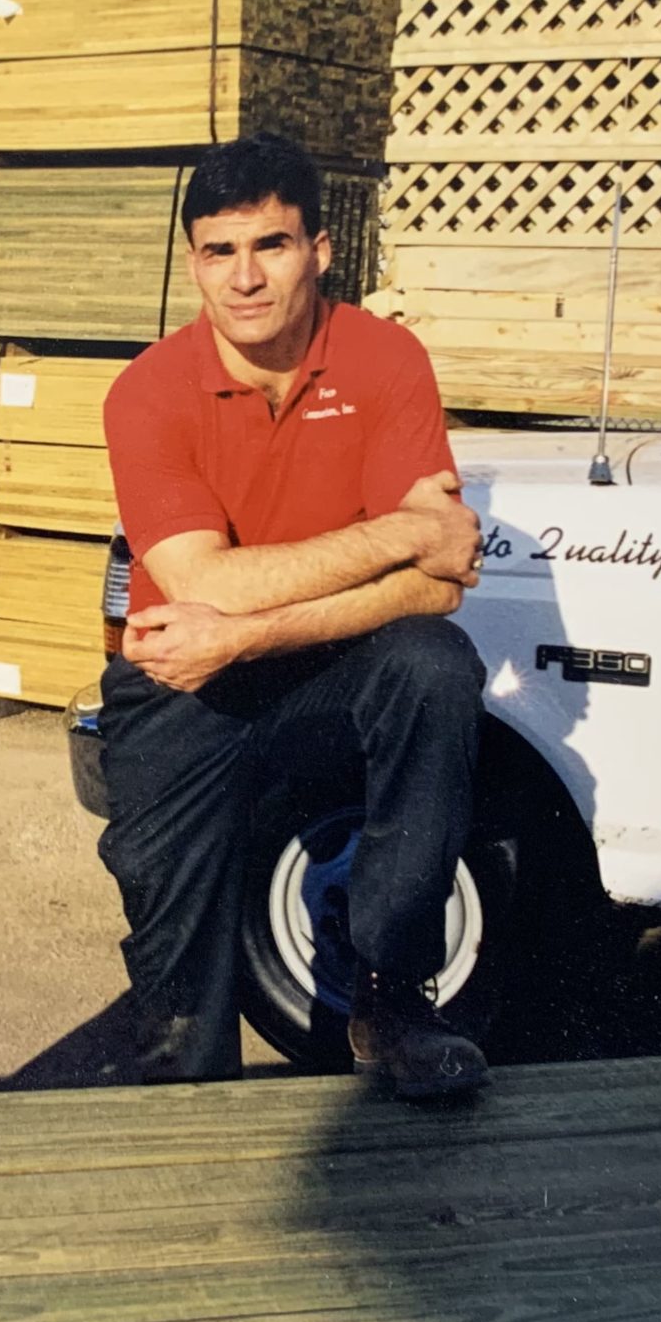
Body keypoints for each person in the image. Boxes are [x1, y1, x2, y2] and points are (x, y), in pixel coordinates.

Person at [96, 132, 492, 1101]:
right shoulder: (146, 392)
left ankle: (393, 1001)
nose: (244, 278)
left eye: (269, 246)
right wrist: (402, 532)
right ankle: (190, 1103)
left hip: (323, 662)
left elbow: (439, 587)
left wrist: (249, 630)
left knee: (434, 663)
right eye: (219, 252)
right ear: (193, 260)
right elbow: (206, 582)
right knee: (176, 994)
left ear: (318, 249)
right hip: (185, 678)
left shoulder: (384, 359)